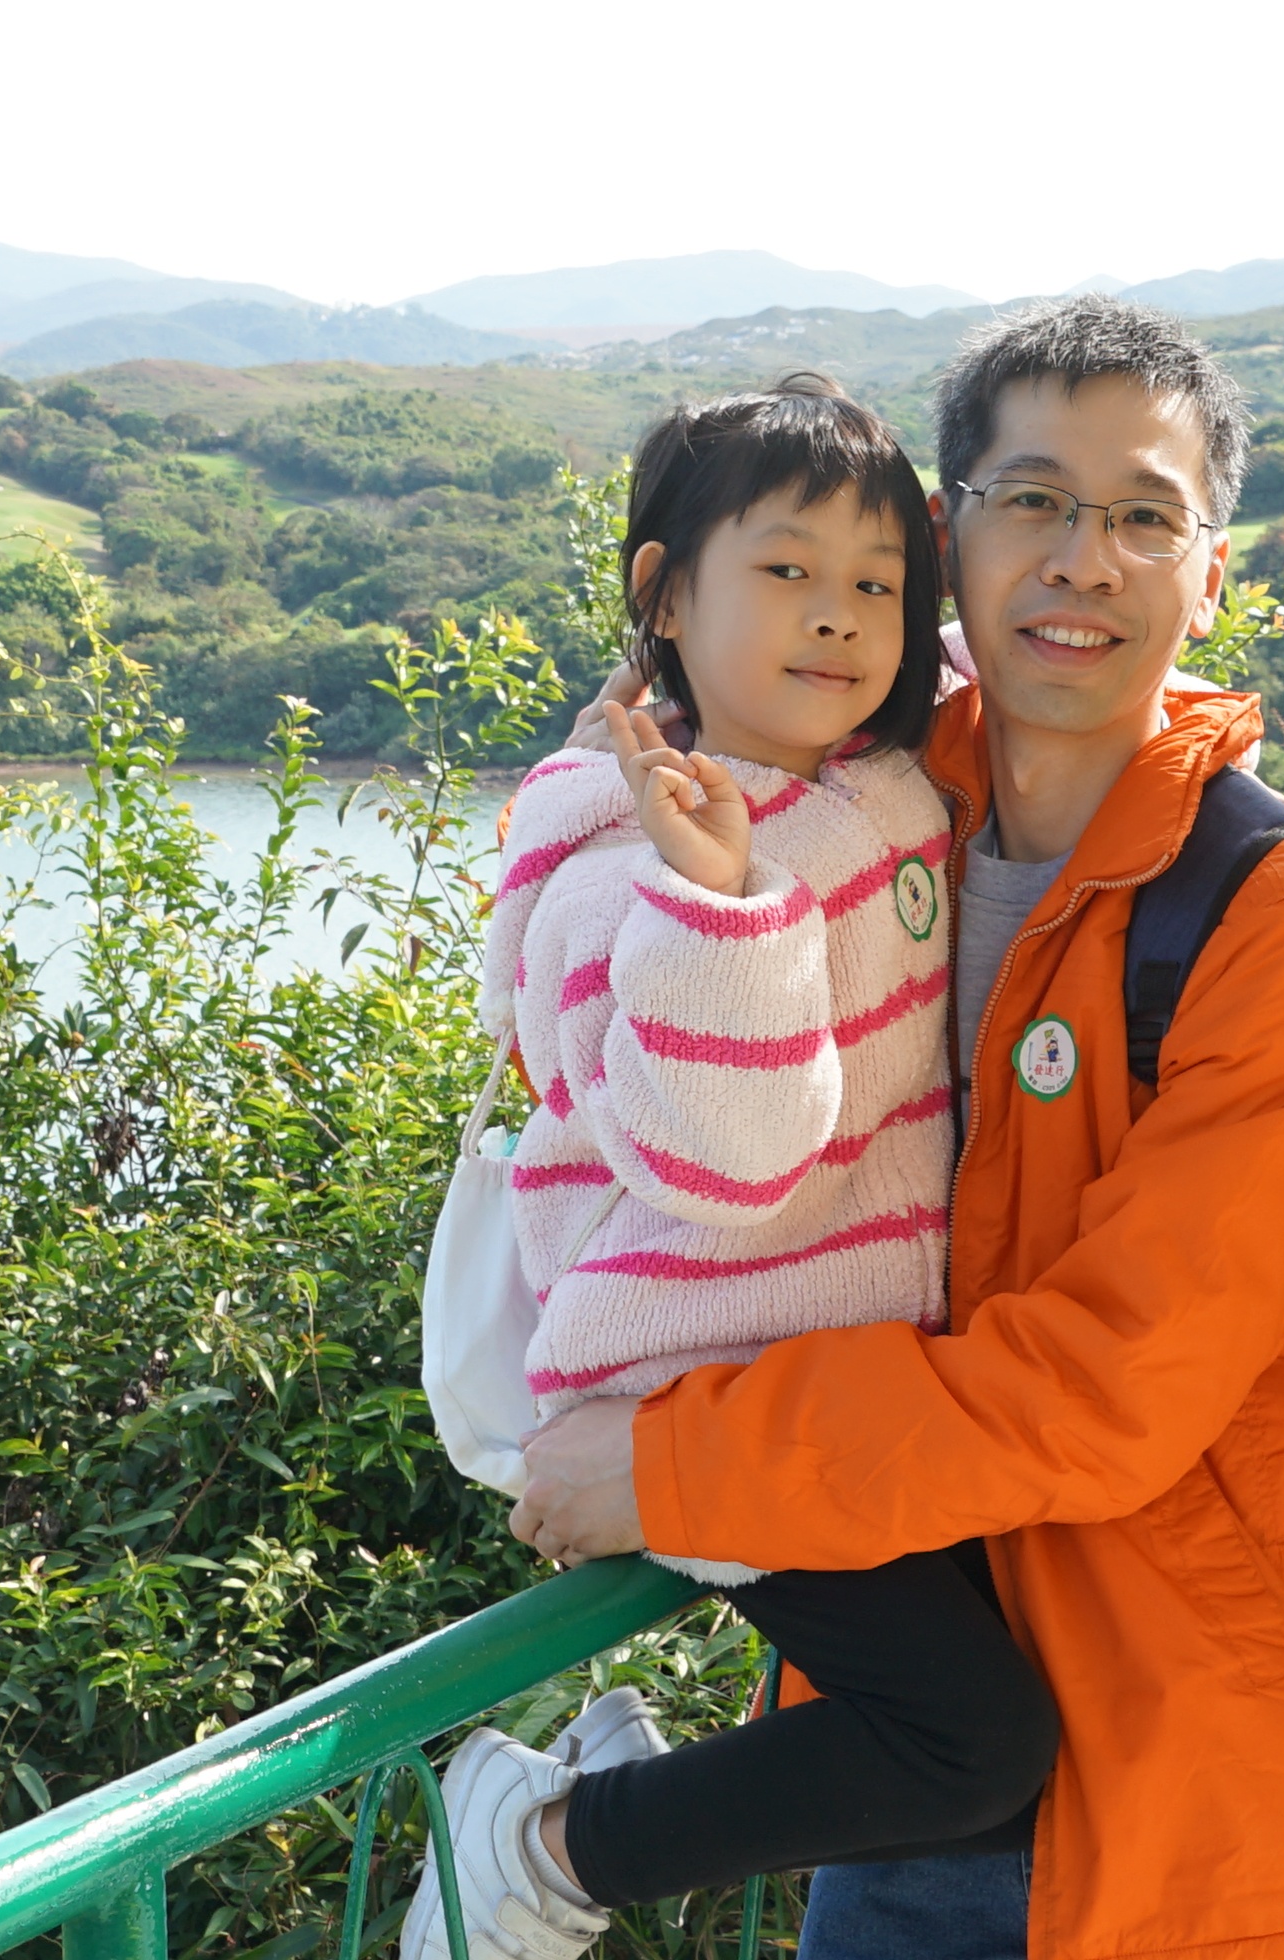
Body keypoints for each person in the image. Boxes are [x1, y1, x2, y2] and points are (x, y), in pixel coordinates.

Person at [519, 300, 1284, 1960]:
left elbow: (1114, 1383)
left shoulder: (1273, 922)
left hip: (1243, 1786)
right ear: (944, 534)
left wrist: (676, 1466)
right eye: (1031, 499)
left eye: (1143, 517)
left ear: (1210, 568)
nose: (1081, 560)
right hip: (923, 1784)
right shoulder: (856, 805)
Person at [413, 378, 1061, 1960]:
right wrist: (718, 902)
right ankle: (549, 1844)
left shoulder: (863, 774)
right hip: (705, 1385)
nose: (837, 617)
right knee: (976, 1750)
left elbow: (978, 666)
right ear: (664, 593)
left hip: (838, 1374)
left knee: (1017, 1719)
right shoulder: (623, 877)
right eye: (784, 571)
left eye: (877, 584)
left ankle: (603, 1781)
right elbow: (734, 1165)